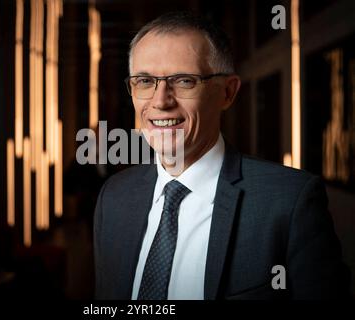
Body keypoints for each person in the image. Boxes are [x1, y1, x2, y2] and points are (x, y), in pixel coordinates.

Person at [93, 11, 350, 300]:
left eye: (184, 81)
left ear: (227, 92)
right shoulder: (113, 197)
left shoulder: (290, 202)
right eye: (144, 81)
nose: (161, 101)